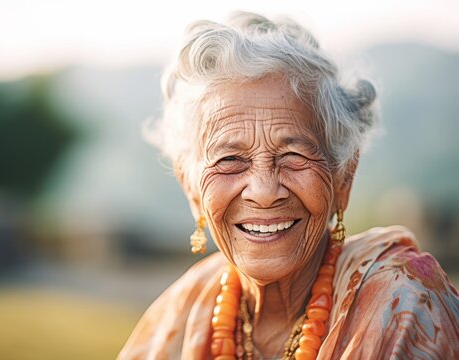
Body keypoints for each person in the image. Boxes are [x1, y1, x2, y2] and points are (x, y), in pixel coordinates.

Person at [119, 12, 459, 360]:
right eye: (230, 160)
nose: (264, 191)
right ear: (190, 187)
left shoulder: (406, 309)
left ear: (343, 177)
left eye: (293, 155)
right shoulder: (180, 314)